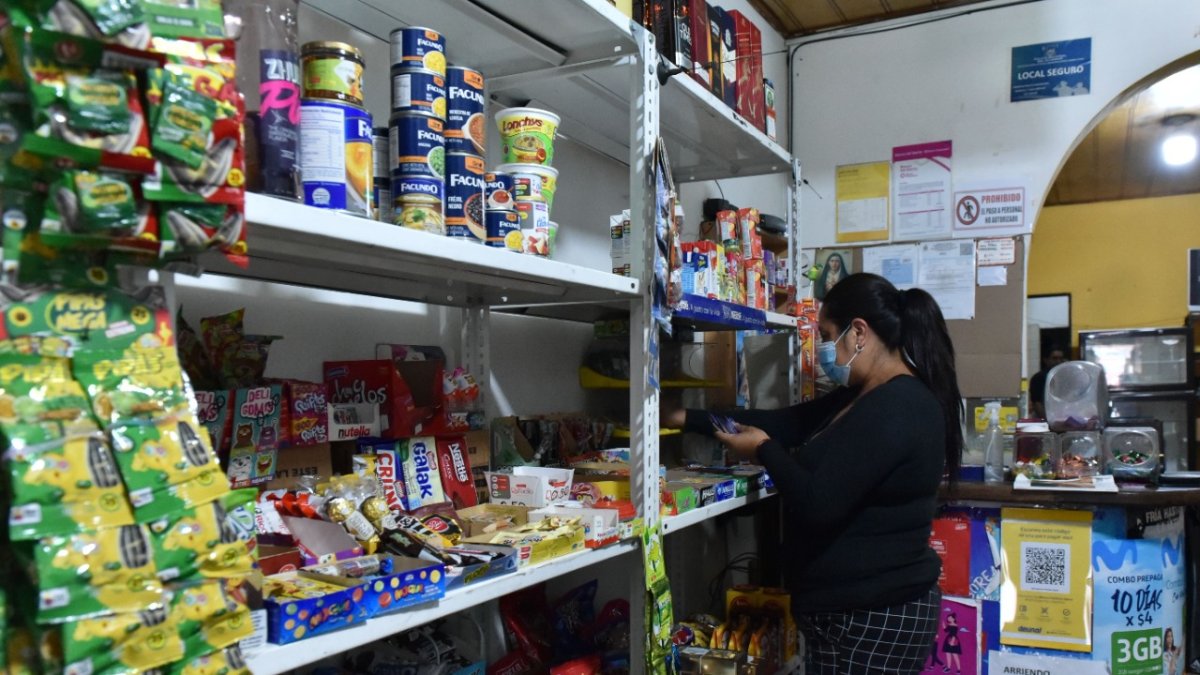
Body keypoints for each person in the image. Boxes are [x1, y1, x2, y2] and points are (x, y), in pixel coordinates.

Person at [668, 273, 964, 674]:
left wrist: (762, 450)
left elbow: (818, 501)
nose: (825, 349)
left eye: (827, 334)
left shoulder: (899, 406)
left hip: (873, 616)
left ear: (858, 332)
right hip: (852, 611)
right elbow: (781, 422)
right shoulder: (862, 396)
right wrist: (686, 417)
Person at [1028, 343, 1067, 419]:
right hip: (1044, 420)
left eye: (1061, 358)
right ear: (1046, 360)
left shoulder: (1065, 377)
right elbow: (1037, 403)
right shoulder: (1039, 378)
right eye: (1055, 358)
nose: (1058, 361)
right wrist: (1048, 421)